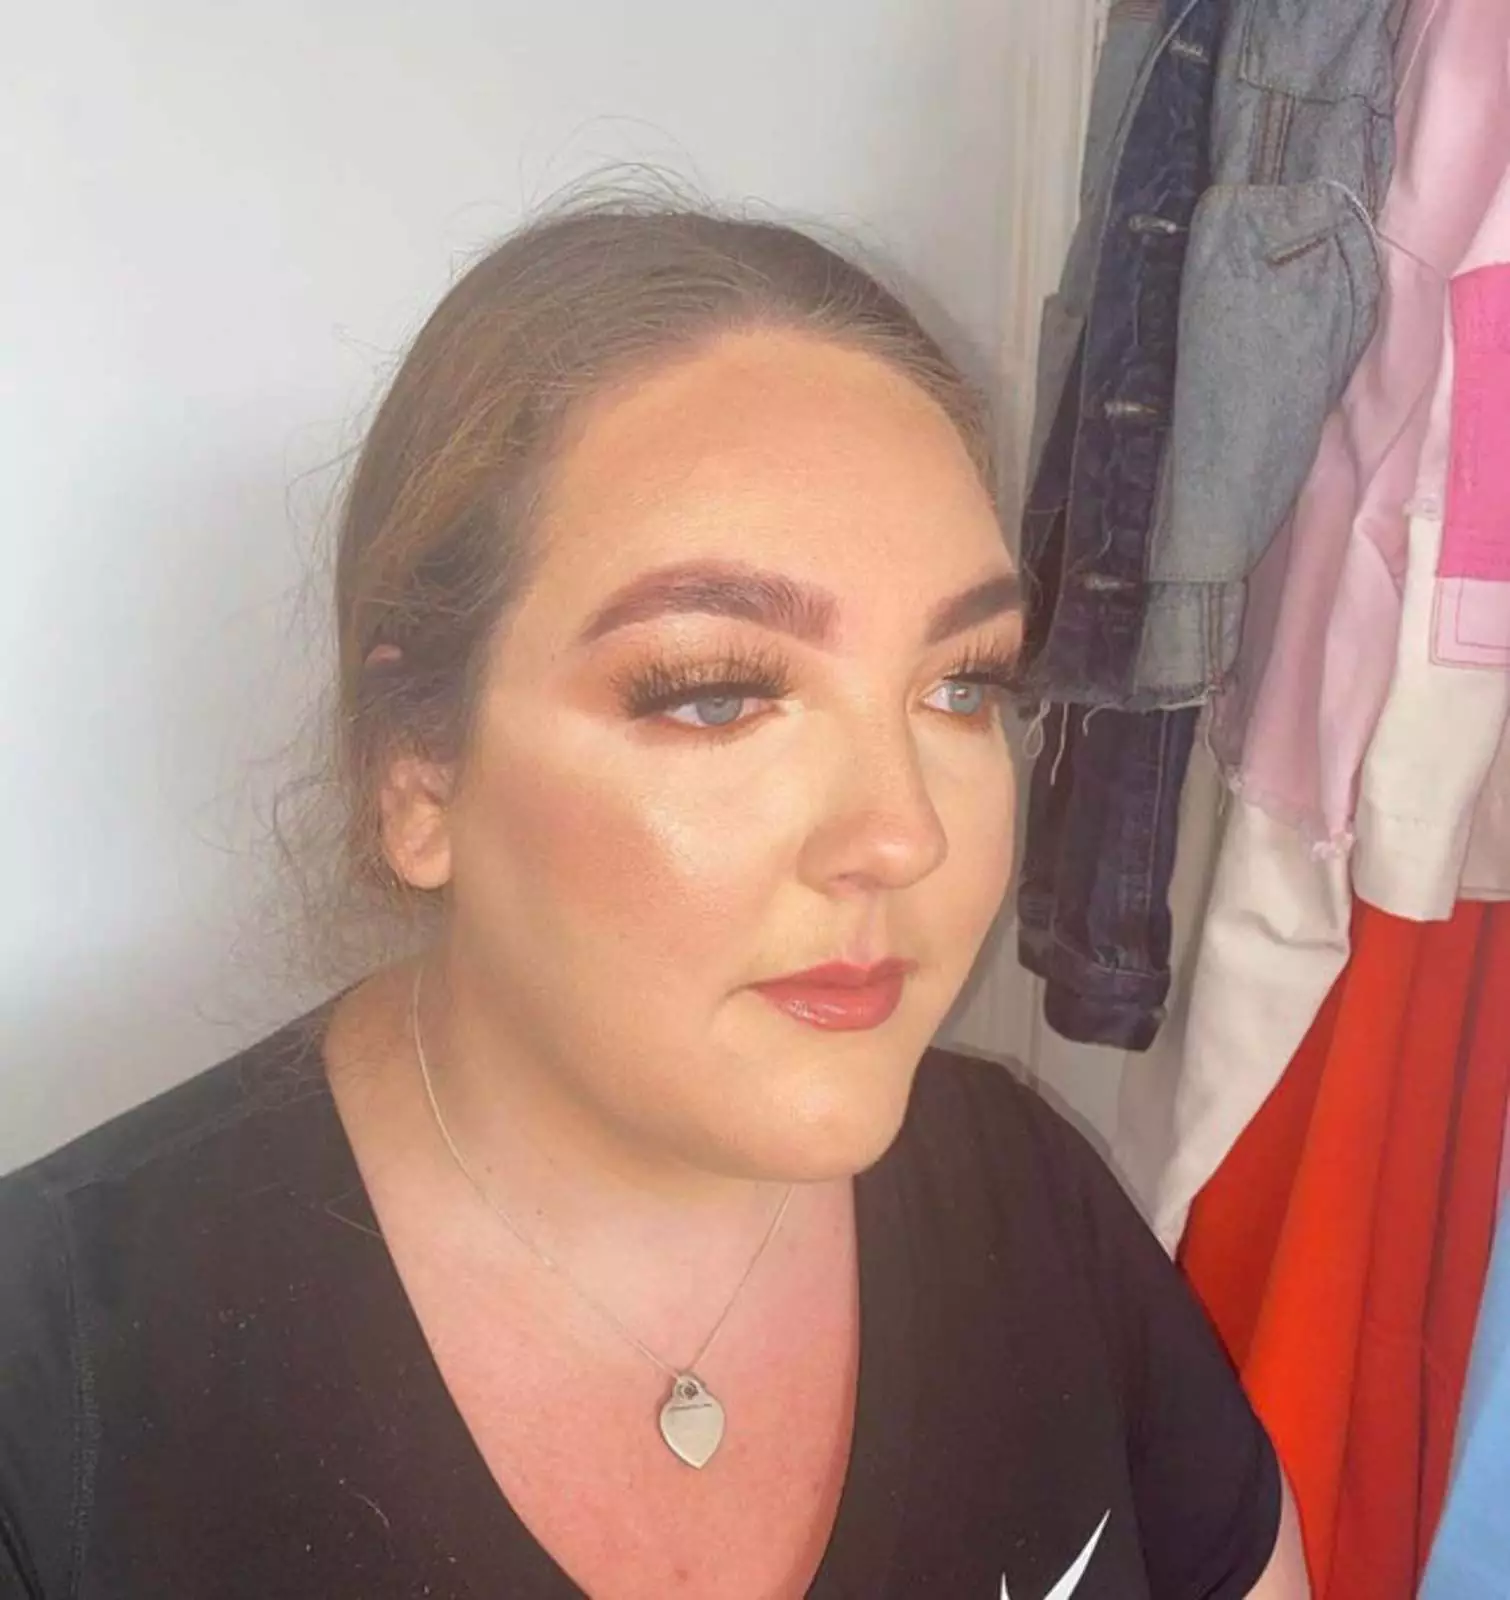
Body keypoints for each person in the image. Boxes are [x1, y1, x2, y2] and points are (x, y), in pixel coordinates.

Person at [0, 200, 1309, 1598]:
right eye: (717, 695)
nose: (904, 835)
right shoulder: (55, 1381)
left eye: (961, 686)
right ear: (418, 773)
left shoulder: (1031, 1200)